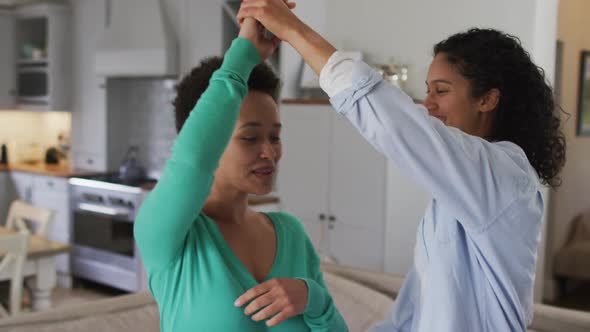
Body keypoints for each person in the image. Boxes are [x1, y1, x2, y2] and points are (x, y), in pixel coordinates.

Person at [237, 1, 567, 331]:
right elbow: (412, 311)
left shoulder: (504, 174)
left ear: (487, 100)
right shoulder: (458, 195)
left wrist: (292, 29)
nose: (429, 103)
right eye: (428, 91)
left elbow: (394, 121)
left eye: (442, 90)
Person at [133, 14, 348, 332]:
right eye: (250, 137)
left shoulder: (290, 233)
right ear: (212, 138)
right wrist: (243, 51)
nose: (269, 152)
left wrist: (314, 299)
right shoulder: (170, 235)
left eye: (274, 136)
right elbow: (193, 160)